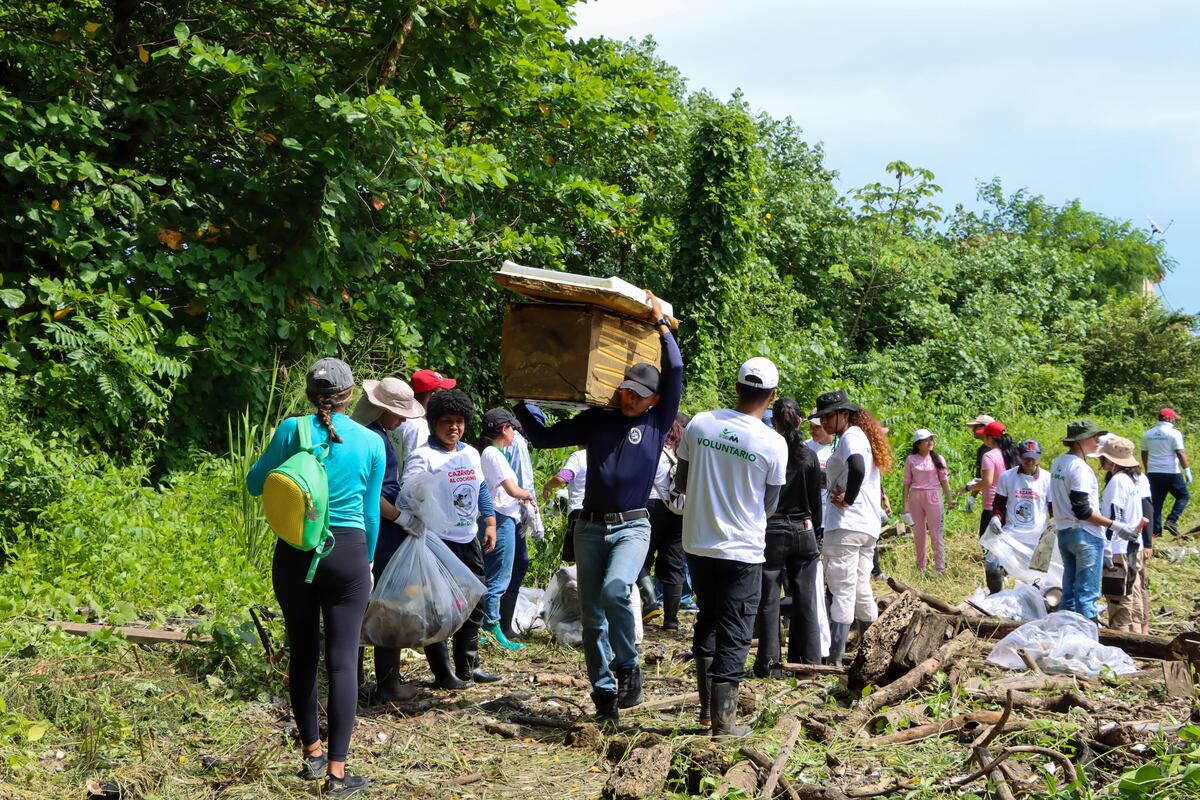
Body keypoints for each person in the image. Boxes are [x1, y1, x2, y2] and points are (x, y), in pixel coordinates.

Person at [515, 291, 682, 729]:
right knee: (592, 621)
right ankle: (604, 694)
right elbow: (546, 438)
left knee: (614, 591)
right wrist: (519, 402)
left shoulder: (656, 423)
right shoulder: (598, 419)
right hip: (588, 528)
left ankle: (629, 666)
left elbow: (677, 368)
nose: (631, 399)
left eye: (641, 395)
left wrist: (660, 323)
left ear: (653, 400)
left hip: (633, 526)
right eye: (627, 391)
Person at [246, 358, 383, 797]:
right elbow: (370, 515)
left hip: (295, 551)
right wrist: (369, 562)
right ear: (351, 394)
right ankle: (338, 776)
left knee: (303, 652)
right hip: (347, 554)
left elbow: (254, 483)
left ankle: (312, 754)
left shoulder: (291, 430)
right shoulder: (372, 442)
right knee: (343, 661)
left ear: (309, 394)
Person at [677, 358, 788, 736]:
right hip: (742, 550)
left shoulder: (701, 423)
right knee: (736, 630)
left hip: (698, 544)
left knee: (707, 618)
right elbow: (770, 504)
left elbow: (683, 478)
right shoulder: (773, 443)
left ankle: (707, 712)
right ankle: (724, 726)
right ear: (772, 396)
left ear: (737, 387)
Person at [400, 389, 501, 690]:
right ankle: (443, 673)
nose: (454, 428)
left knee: (476, 600)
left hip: (467, 537)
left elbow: (481, 489)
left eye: (459, 421)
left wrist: (491, 521)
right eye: (447, 421)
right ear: (433, 423)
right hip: (436, 541)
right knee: (438, 607)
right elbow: (408, 494)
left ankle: (468, 666)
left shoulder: (470, 453)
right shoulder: (423, 456)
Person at [351, 376, 425, 704]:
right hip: (381, 530)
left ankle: (355, 684)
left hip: (369, 529)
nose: (402, 420)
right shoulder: (375, 439)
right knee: (389, 603)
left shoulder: (364, 433)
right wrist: (401, 517)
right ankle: (388, 684)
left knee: (360, 606)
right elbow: (372, 495)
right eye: (398, 413)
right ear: (380, 410)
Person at [815, 390, 893, 666]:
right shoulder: (859, 437)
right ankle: (870, 653)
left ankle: (835, 658)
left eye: (827, 417)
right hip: (866, 526)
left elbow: (857, 468)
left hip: (847, 526)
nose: (823, 422)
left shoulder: (850, 437)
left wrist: (847, 498)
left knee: (842, 590)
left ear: (843, 414)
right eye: (821, 417)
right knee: (861, 588)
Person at [752, 396, 824, 675]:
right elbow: (815, 503)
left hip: (773, 528)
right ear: (799, 421)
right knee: (806, 599)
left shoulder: (770, 451)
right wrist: (816, 534)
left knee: (768, 599)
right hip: (804, 529)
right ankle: (808, 663)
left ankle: (770, 665)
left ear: (776, 422)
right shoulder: (810, 456)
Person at [1050, 420, 1135, 623]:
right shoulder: (1080, 468)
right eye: (1094, 437)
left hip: (1065, 533)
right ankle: (1089, 641)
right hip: (1085, 535)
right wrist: (1114, 525)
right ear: (1081, 440)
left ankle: (1066, 633)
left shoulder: (1058, 463)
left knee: (1069, 591)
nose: (1098, 441)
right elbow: (1083, 510)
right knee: (1087, 594)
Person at [477, 408, 538, 650]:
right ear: (504, 429)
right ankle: (492, 629)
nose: (514, 432)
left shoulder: (492, 453)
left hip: (500, 518)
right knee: (499, 578)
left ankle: (486, 629)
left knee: (493, 575)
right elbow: (512, 490)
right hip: (500, 520)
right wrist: (528, 495)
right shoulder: (494, 454)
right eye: (512, 428)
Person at [640, 412, 691, 630]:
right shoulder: (686, 452)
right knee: (674, 565)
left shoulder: (653, 447)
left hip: (651, 508)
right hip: (679, 511)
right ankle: (671, 620)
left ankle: (650, 602)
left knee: (640, 558)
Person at [960, 420, 1019, 594]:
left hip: (992, 505)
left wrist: (968, 488)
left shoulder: (989, 456)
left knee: (988, 544)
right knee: (1004, 542)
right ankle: (1007, 575)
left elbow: (987, 482)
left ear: (989, 437)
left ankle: (995, 587)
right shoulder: (1011, 454)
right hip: (1009, 504)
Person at [1097, 436, 1147, 631]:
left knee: (1119, 599)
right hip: (1135, 546)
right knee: (1133, 595)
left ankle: (1123, 644)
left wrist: (1107, 546)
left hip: (1120, 548)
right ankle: (1137, 639)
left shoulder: (1117, 481)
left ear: (1110, 460)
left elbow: (1115, 516)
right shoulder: (1133, 479)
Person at [498, 421, 538, 641]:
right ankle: (501, 626)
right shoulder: (519, 443)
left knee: (508, 566)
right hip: (510, 512)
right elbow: (524, 481)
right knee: (514, 565)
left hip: (505, 511)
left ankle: (501, 625)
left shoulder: (494, 448)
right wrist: (531, 513)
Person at [902, 429, 955, 574]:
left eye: (931, 439)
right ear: (918, 443)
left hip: (933, 496)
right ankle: (921, 567)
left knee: (936, 534)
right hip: (916, 497)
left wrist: (950, 499)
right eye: (926, 440)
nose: (930, 442)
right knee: (919, 534)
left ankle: (940, 567)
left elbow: (944, 481)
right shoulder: (911, 459)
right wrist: (904, 504)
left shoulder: (938, 459)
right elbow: (906, 482)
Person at [992, 438, 1053, 555]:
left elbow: (1053, 508)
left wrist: (1053, 529)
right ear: (1019, 456)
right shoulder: (1007, 477)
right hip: (1011, 534)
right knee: (996, 569)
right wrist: (996, 518)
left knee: (1034, 572)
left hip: (1037, 536)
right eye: (1026, 458)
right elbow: (999, 504)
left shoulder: (1047, 479)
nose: (1030, 462)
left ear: (1038, 458)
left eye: (1033, 458)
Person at [391, 368, 457, 469]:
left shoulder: (399, 417)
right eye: (443, 392)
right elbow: (416, 466)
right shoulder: (419, 427)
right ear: (433, 396)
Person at [1142, 408, 1191, 537]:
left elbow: (1144, 453)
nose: (1175, 420)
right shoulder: (1174, 433)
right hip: (1171, 472)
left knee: (1157, 502)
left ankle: (1155, 531)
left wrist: (1148, 469)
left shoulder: (1148, 434)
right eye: (1174, 418)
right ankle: (1171, 520)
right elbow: (1180, 452)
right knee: (1183, 496)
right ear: (1169, 418)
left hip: (1153, 472)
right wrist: (1187, 471)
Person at [542, 445, 587, 563]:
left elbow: (563, 477)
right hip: (602, 516)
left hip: (579, 515)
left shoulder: (579, 456)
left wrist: (547, 486)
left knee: (577, 565)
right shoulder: (605, 455)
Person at [805, 417, 835, 508]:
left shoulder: (840, 446)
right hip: (810, 507)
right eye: (810, 426)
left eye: (817, 427)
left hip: (833, 506)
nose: (812, 430)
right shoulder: (805, 446)